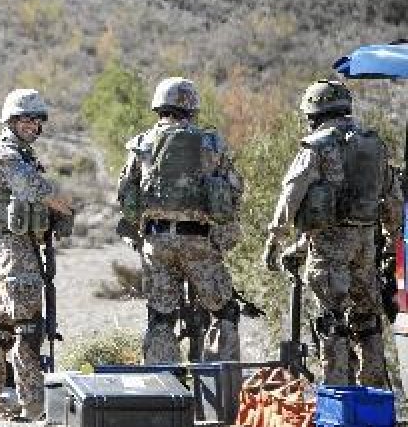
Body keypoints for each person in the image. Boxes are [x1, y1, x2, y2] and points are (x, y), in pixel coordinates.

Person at [262, 79, 402, 386]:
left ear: (314, 114)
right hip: (366, 242)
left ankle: (338, 396)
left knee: (332, 320)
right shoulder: (373, 143)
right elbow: (393, 198)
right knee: (367, 320)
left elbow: (292, 193)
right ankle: (374, 396)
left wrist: (275, 237)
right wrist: (393, 242)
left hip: (330, 247)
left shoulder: (319, 144)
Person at [116, 77, 244, 364]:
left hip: (156, 242)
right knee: (224, 312)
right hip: (198, 241)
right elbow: (234, 190)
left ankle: (163, 392)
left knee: (161, 316)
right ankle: (217, 387)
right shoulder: (210, 143)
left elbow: (125, 194)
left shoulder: (142, 143)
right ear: (192, 107)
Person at [0, 89, 73, 421]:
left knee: (0, 332)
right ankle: (33, 406)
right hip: (15, 251)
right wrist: (67, 205)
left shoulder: (16, 153)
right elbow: (38, 191)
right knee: (27, 331)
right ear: (11, 121)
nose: (32, 125)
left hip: (12, 251)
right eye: (25, 119)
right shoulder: (7, 156)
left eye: (36, 120)